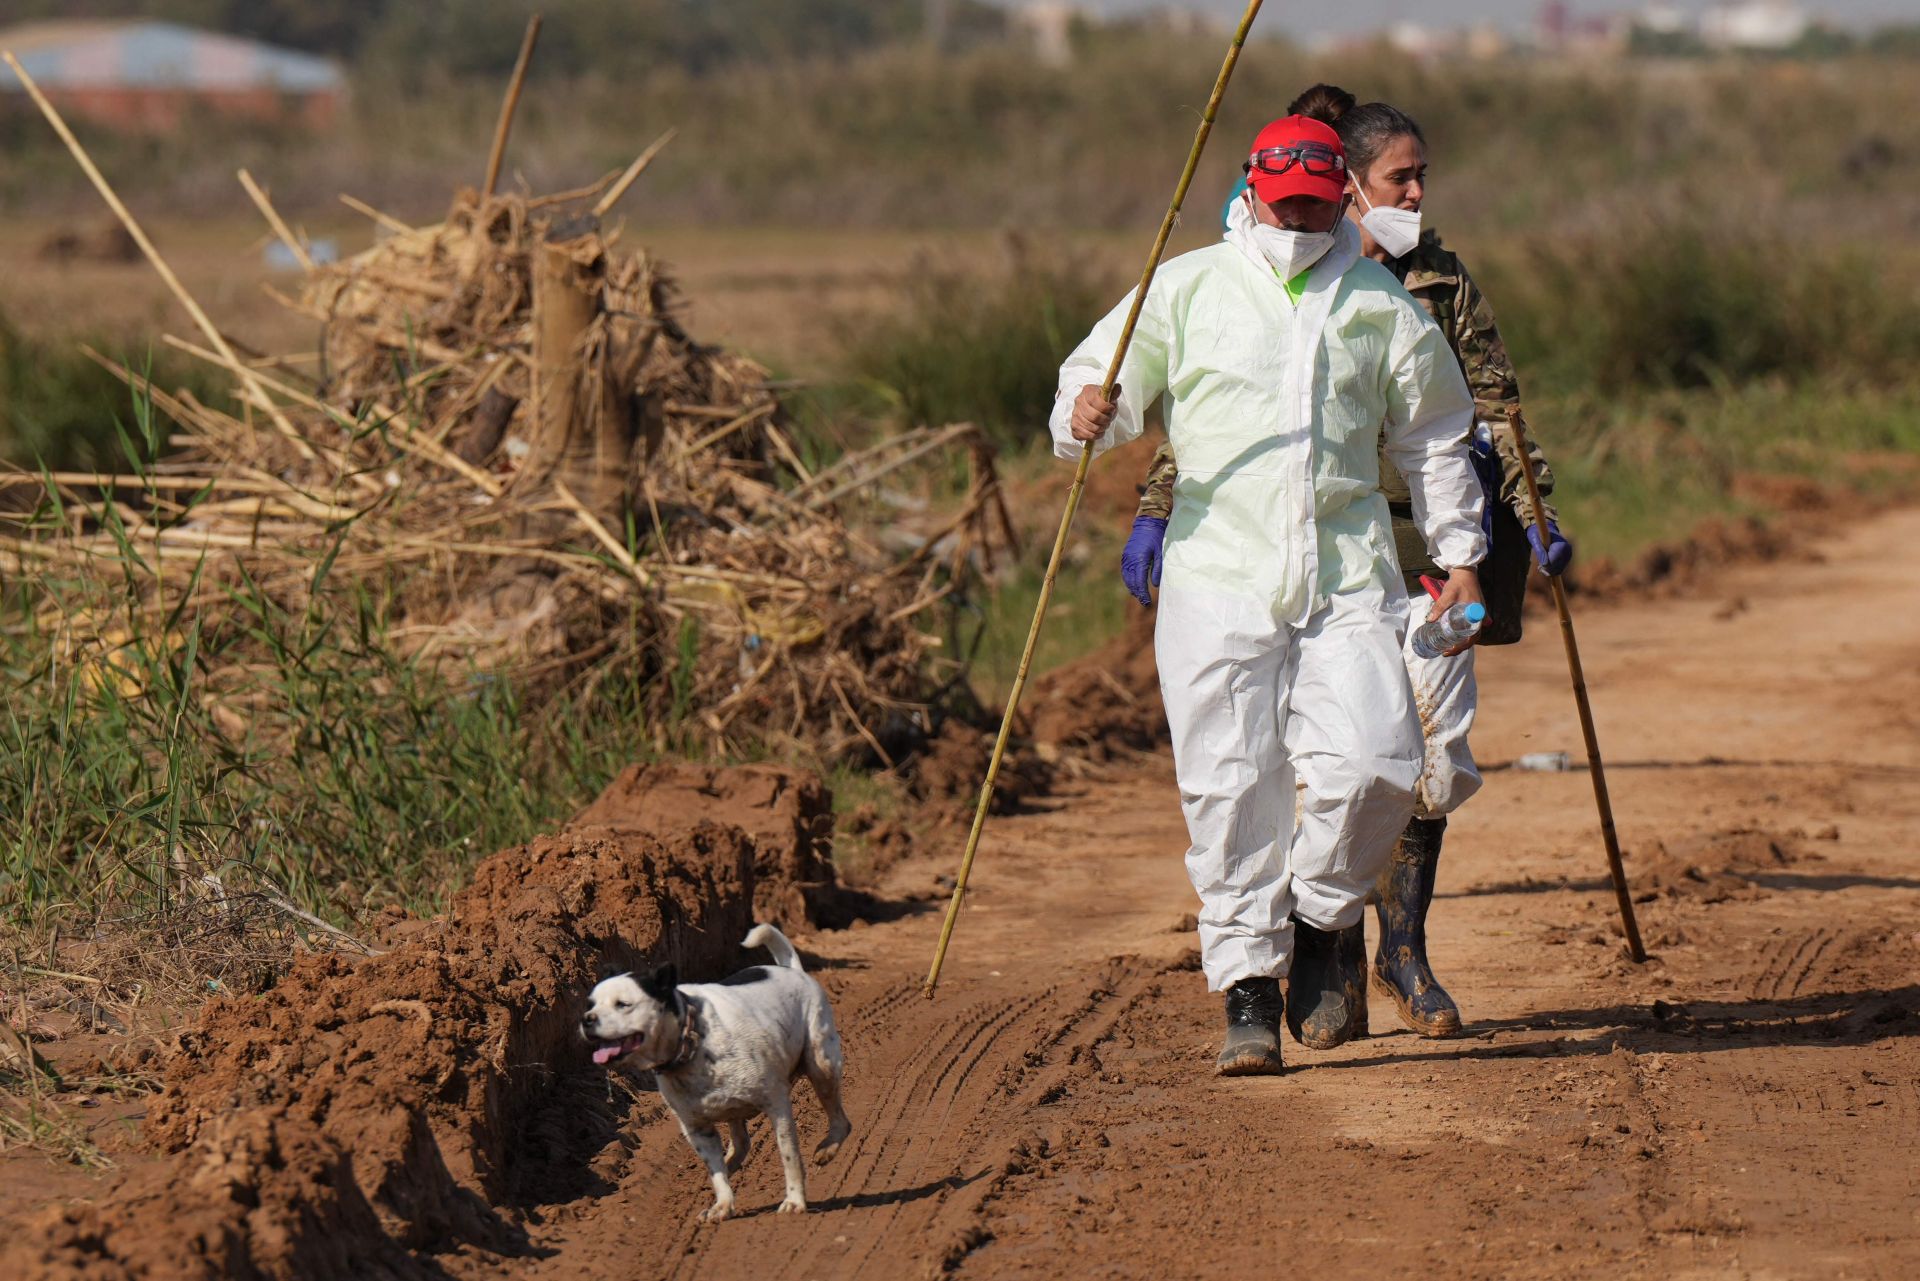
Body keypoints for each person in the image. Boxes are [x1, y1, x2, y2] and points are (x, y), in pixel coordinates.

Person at [1121, 84, 1572, 1043]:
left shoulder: (1433, 287)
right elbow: (1217, 415)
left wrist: (1526, 520)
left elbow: (1486, 414)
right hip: (1263, 561)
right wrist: (1156, 504)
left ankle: (1390, 943)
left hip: (1407, 552)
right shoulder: (1228, 282)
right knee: (1264, 769)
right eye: (1398, 180)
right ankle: (1295, 973)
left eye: (1422, 179)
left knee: (1407, 760)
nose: (1415, 197)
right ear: (1350, 188)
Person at [1050, 112, 1487, 1076]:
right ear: (1252, 189)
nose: (1296, 219)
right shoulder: (1188, 286)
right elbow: (1105, 378)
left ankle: (1321, 916)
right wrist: (1090, 410)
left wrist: (1461, 554)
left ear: (1342, 200)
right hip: (1219, 574)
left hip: (1345, 569)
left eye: (1315, 205)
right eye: (1282, 203)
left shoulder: (1381, 304)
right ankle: (1248, 988)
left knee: (1379, 759)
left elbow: (1436, 437)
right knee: (1231, 783)